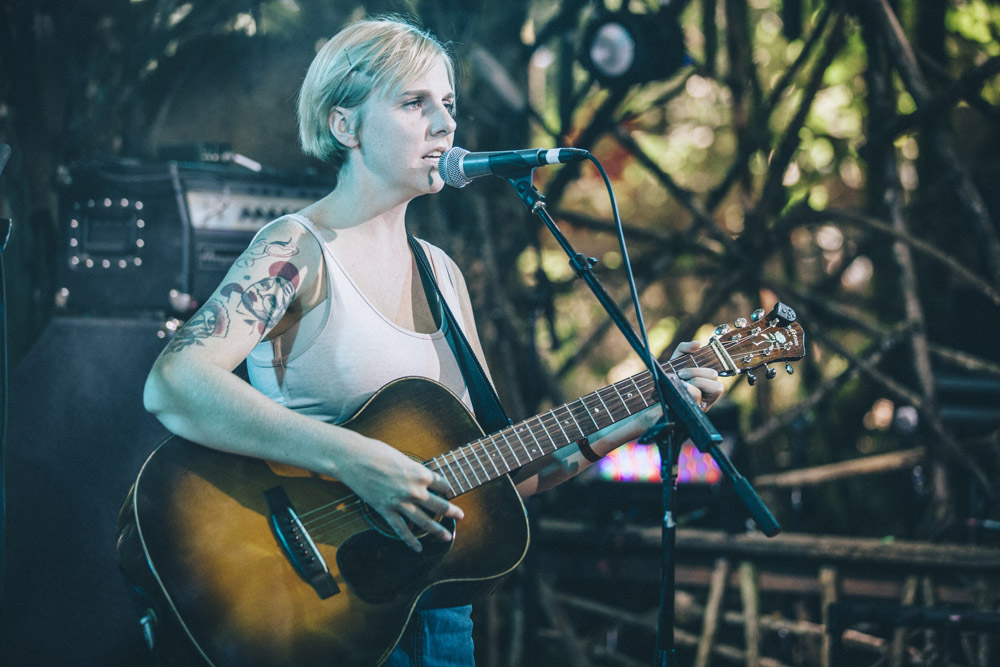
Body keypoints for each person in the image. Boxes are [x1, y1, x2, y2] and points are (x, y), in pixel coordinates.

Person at [142, 15, 723, 666]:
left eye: (448, 105)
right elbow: (174, 382)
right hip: (314, 612)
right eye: (414, 103)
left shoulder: (442, 273)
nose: (445, 126)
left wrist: (640, 413)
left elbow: (494, 475)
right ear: (345, 125)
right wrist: (351, 457)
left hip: (438, 622)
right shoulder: (296, 247)